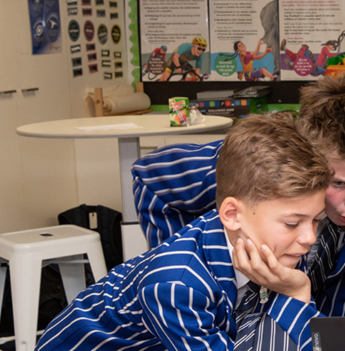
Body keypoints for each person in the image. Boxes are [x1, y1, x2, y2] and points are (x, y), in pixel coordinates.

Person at [132, 73, 345, 317]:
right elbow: (151, 177)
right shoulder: (254, 161)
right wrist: (189, 261)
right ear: (306, 155)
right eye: (339, 183)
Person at [39, 114, 330, 350]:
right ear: (231, 215)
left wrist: (294, 293)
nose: (309, 237)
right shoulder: (177, 286)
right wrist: (297, 292)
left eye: (317, 220)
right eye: (293, 223)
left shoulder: (281, 246)